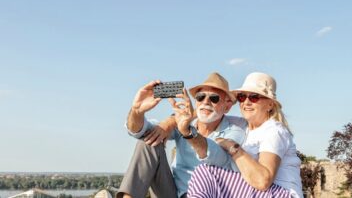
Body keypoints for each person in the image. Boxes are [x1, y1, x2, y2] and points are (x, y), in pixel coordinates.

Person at [116, 72, 247, 198]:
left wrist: (187, 132)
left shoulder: (234, 131)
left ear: (227, 106)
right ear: (196, 102)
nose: (206, 102)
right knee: (150, 141)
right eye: (201, 97)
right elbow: (141, 131)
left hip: (205, 193)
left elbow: (218, 157)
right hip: (172, 191)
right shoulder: (185, 121)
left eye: (214, 98)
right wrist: (137, 111)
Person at [187, 72, 303, 198]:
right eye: (242, 97)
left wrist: (233, 147)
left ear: (270, 104)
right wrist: (170, 124)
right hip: (254, 192)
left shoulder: (274, 131)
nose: (246, 102)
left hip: (281, 194)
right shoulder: (243, 125)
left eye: (254, 97)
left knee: (206, 171)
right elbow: (207, 112)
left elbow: (263, 181)